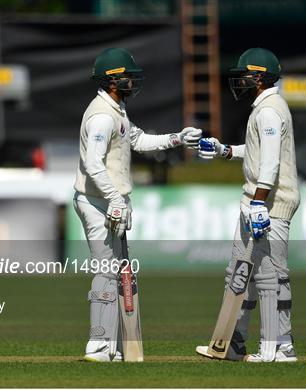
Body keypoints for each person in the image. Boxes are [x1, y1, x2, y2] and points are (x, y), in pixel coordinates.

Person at [73, 47, 201, 362]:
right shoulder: (103, 116)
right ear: (112, 80)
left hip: (108, 201)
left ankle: (113, 346)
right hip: (97, 201)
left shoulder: (116, 109)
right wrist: (115, 199)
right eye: (128, 77)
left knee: (118, 271)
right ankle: (99, 345)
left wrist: (177, 139)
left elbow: (137, 140)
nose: (133, 82)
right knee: (106, 269)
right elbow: (92, 163)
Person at [195, 48, 300, 362]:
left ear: (259, 77)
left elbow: (269, 165)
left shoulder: (269, 110)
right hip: (256, 202)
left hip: (270, 203)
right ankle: (232, 343)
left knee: (272, 275)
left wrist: (259, 204)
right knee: (239, 273)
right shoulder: (266, 107)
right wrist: (226, 151)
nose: (240, 80)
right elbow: (257, 151)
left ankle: (280, 346)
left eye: (244, 75)